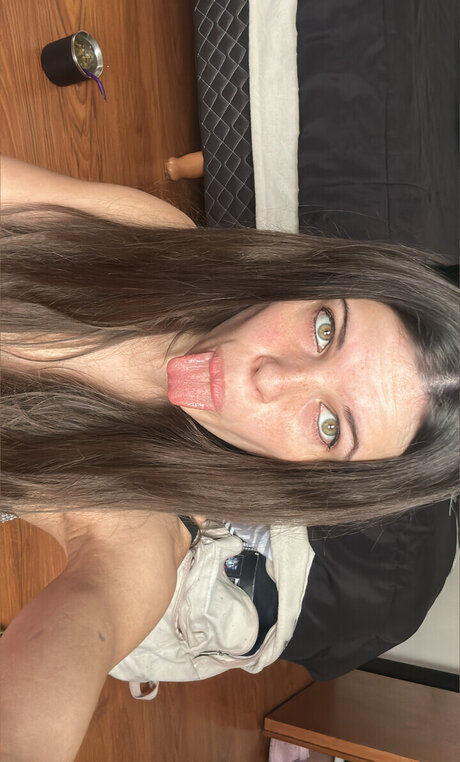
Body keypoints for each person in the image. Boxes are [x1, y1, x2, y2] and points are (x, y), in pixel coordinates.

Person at [1, 157, 459, 761]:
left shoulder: (142, 535)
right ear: (314, 280)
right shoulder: (151, 240)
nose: (272, 378)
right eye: (324, 329)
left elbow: (72, 652)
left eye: (328, 426)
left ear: (318, 480)